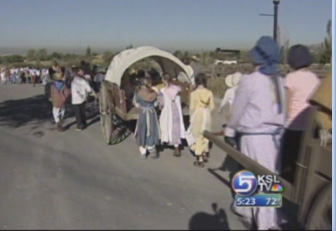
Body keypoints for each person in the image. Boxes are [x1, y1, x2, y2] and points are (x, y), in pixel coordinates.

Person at [224, 36, 285, 230]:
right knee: (268, 178)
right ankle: (251, 212)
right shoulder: (279, 81)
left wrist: (230, 130)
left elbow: (239, 109)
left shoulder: (250, 80)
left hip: (254, 137)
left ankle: (263, 224)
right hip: (275, 137)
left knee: (254, 178)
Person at [280, 45, 321, 183]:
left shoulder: (290, 78)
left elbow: (287, 104)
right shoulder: (314, 78)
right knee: (303, 161)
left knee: (288, 161)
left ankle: (286, 190)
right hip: (310, 127)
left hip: (293, 126)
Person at [189, 73, 215, 167]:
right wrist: (208, 113)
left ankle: (199, 156)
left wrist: (191, 117)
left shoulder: (193, 93)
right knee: (206, 135)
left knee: (198, 135)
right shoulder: (209, 93)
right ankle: (205, 152)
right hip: (206, 114)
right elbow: (212, 107)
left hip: (197, 114)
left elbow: (192, 107)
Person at [158, 73, 186, 157]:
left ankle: (164, 141)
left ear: (163, 80)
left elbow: (161, 104)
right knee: (175, 127)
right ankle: (176, 146)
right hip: (175, 111)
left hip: (166, 111)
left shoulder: (162, 91)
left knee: (165, 125)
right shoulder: (176, 90)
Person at [133, 77, 160, 159]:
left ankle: (143, 149)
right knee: (151, 129)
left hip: (142, 113)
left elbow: (136, 103)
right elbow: (156, 103)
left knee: (142, 129)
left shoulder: (138, 93)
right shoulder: (153, 93)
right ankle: (151, 147)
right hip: (151, 113)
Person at [71, 66, 96, 131]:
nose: (83, 72)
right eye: (81, 71)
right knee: (82, 112)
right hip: (80, 97)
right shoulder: (81, 79)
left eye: (82, 70)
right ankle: (84, 123)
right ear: (78, 72)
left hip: (77, 98)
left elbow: (87, 87)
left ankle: (80, 125)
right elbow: (88, 88)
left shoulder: (76, 79)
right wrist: (92, 93)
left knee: (78, 113)